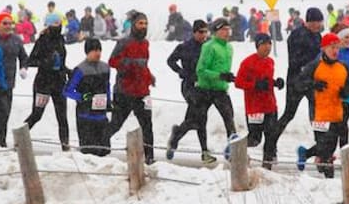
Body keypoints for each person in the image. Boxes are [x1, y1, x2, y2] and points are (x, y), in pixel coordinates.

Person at [168, 18, 237, 165]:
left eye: (206, 32)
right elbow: (171, 60)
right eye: (200, 32)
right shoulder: (185, 47)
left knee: (196, 120)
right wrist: (181, 72)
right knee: (199, 120)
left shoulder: (208, 46)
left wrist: (224, 77)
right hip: (190, 86)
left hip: (205, 85)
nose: (204, 35)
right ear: (194, 32)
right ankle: (199, 147)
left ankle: (178, 134)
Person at [294, 33, 349, 178]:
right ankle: (329, 181)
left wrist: (346, 92)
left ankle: (307, 153)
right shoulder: (315, 66)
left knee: (328, 148)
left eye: (337, 48)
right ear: (324, 49)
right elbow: (298, 83)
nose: (335, 51)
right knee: (326, 151)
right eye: (332, 47)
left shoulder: (343, 67)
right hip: (319, 114)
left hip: (337, 113)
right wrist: (313, 84)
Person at [106, 12, 157, 163]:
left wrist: (149, 76)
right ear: (134, 25)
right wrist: (130, 64)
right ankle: (98, 146)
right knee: (116, 124)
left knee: (147, 126)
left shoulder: (145, 43)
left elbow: (144, 64)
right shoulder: (124, 43)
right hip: (125, 91)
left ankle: (149, 158)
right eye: (140, 23)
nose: (143, 26)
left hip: (142, 92)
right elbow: (112, 61)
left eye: (145, 24)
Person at [234, 33, 284, 169]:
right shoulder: (248, 62)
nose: (267, 47)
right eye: (264, 44)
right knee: (255, 140)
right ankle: (234, 148)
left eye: (269, 44)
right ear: (257, 46)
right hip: (254, 107)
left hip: (270, 105)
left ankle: (267, 167)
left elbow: (267, 81)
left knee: (271, 136)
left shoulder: (270, 62)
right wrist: (255, 85)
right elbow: (238, 82)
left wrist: (276, 83)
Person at [24, 13, 71, 150]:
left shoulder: (61, 40)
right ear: (49, 26)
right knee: (37, 114)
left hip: (59, 82)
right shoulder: (42, 40)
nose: (59, 26)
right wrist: (45, 62)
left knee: (62, 116)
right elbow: (30, 60)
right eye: (55, 24)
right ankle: (19, 137)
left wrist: (67, 70)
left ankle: (65, 145)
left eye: (60, 24)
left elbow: (60, 62)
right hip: (43, 83)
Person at [276, 7, 324, 134]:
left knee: (316, 115)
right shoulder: (297, 35)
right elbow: (294, 60)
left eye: (320, 22)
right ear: (308, 22)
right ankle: (270, 143)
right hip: (296, 80)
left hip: (312, 81)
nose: (318, 25)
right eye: (316, 22)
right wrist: (311, 64)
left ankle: (320, 146)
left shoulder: (318, 36)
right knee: (289, 114)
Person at [64, 38, 112, 156]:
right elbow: (67, 91)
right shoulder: (80, 70)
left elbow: (107, 86)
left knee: (104, 150)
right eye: (94, 50)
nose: (98, 53)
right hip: (85, 117)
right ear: (87, 52)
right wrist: (82, 97)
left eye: (99, 50)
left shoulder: (105, 67)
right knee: (89, 152)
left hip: (101, 117)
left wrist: (109, 102)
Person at [0, 12, 29, 128]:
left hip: (8, 83)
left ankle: (1, 141)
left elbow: (24, 57)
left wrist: (23, 68)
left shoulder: (16, 40)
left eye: (10, 23)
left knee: (4, 113)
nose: (8, 26)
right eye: (5, 23)